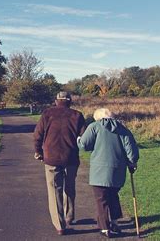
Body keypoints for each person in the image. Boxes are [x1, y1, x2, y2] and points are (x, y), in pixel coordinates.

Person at [77, 108, 139, 238]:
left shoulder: (94, 127)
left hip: (99, 171)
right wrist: (132, 163)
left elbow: (84, 145)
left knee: (101, 199)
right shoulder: (123, 129)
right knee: (113, 195)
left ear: (98, 117)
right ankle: (115, 222)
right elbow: (131, 151)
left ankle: (105, 228)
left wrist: (78, 139)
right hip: (117, 170)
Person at [34, 91, 86, 235]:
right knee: (69, 187)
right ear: (69, 101)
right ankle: (69, 216)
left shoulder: (47, 114)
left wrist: (38, 151)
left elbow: (38, 134)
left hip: (51, 157)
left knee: (54, 190)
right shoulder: (77, 115)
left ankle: (59, 225)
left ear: (57, 101)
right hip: (71, 158)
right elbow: (84, 137)